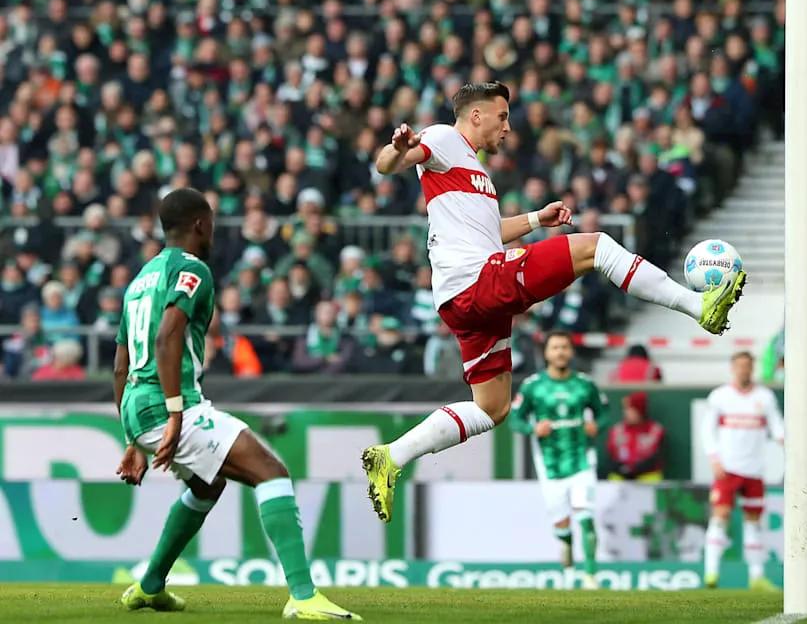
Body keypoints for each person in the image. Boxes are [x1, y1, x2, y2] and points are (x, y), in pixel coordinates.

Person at [361, 81, 747, 523]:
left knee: (493, 407)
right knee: (596, 246)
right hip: (477, 281)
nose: (508, 127)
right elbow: (386, 165)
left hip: (462, 297)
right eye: (502, 116)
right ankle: (700, 307)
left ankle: (391, 456)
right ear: (475, 116)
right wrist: (397, 148)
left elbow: (488, 232)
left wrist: (535, 220)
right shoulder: (444, 139)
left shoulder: (475, 173)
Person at [113, 188, 359, 621]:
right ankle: (303, 596)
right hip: (172, 404)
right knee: (272, 473)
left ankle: (150, 586)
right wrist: (174, 414)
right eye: (212, 222)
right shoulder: (193, 270)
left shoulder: (139, 281)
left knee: (208, 485)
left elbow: (120, 366)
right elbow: (167, 337)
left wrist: (132, 438)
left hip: (137, 406)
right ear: (200, 224)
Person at [508, 332, 610, 589]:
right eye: (555, 348)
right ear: (547, 353)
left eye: (565, 347)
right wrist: (533, 429)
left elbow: (605, 412)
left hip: (582, 459)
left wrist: (596, 425)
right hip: (549, 463)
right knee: (561, 525)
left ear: (572, 352)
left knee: (585, 514)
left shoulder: (586, 384)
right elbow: (514, 419)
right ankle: (567, 565)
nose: (560, 352)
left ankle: (590, 576)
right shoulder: (533, 386)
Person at [701, 351, 783, 591]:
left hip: (754, 469)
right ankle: (711, 574)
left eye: (747, 366)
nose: (743, 370)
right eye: (739, 366)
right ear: (732, 368)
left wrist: (789, 447)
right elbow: (707, 430)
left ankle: (756, 577)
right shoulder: (720, 397)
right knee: (720, 517)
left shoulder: (764, 397)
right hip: (727, 468)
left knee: (754, 522)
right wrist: (714, 459)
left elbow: (778, 428)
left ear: (752, 367)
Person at [605, 391, 666, 481]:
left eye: (630, 410)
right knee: (613, 479)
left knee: (653, 478)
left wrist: (637, 468)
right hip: (621, 475)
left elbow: (657, 457)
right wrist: (622, 468)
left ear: (639, 411)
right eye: (625, 409)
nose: (626, 413)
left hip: (646, 474)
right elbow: (610, 456)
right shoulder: (617, 430)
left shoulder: (655, 430)